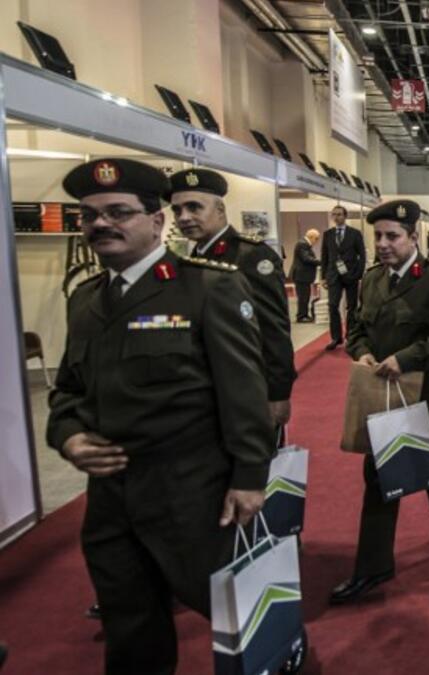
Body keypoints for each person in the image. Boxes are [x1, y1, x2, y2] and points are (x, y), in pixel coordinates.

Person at [49, 158, 274, 674]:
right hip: (111, 498)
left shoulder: (207, 287)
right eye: (90, 216)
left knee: (236, 611)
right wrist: (68, 437)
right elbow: (69, 390)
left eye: (118, 212)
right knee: (130, 624)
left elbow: (243, 389)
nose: (101, 224)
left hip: (192, 492)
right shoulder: (86, 301)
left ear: (156, 221)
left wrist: (249, 476)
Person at [330, 199, 429, 604]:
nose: (382, 244)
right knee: (378, 473)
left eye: (392, 236)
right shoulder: (372, 279)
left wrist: (406, 358)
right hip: (382, 391)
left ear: (414, 237)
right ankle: (372, 566)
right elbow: (357, 326)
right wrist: (359, 351)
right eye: (377, 236)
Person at [165, 168, 296, 428]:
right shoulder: (191, 259)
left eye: (194, 208)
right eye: (177, 210)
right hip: (203, 389)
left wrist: (278, 392)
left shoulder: (250, 256)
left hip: (246, 387)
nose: (184, 217)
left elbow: (274, 330)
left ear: (220, 209)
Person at [320, 205, 366, 350]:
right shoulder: (328, 234)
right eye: (334, 214)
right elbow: (324, 257)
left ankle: (350, 336)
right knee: (333, 305)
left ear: (345, 216)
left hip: (351, 275)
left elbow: (362, 255)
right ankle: (336, 337)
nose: (337, 217)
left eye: (339, 214)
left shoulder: (355, 234)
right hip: (333, 275)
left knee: (351, 307)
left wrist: (358, 273)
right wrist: (323, 277)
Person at [291, 228, 321, 322]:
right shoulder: (302, 244)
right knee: (303, 297)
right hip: (301, 276)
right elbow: (306, 259)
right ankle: (301, 316)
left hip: (303, 276)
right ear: (312, 237)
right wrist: (322, 262)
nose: (316, 241)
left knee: (305, 296)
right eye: (316, 239)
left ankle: (304, 315)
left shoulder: (304, 244)